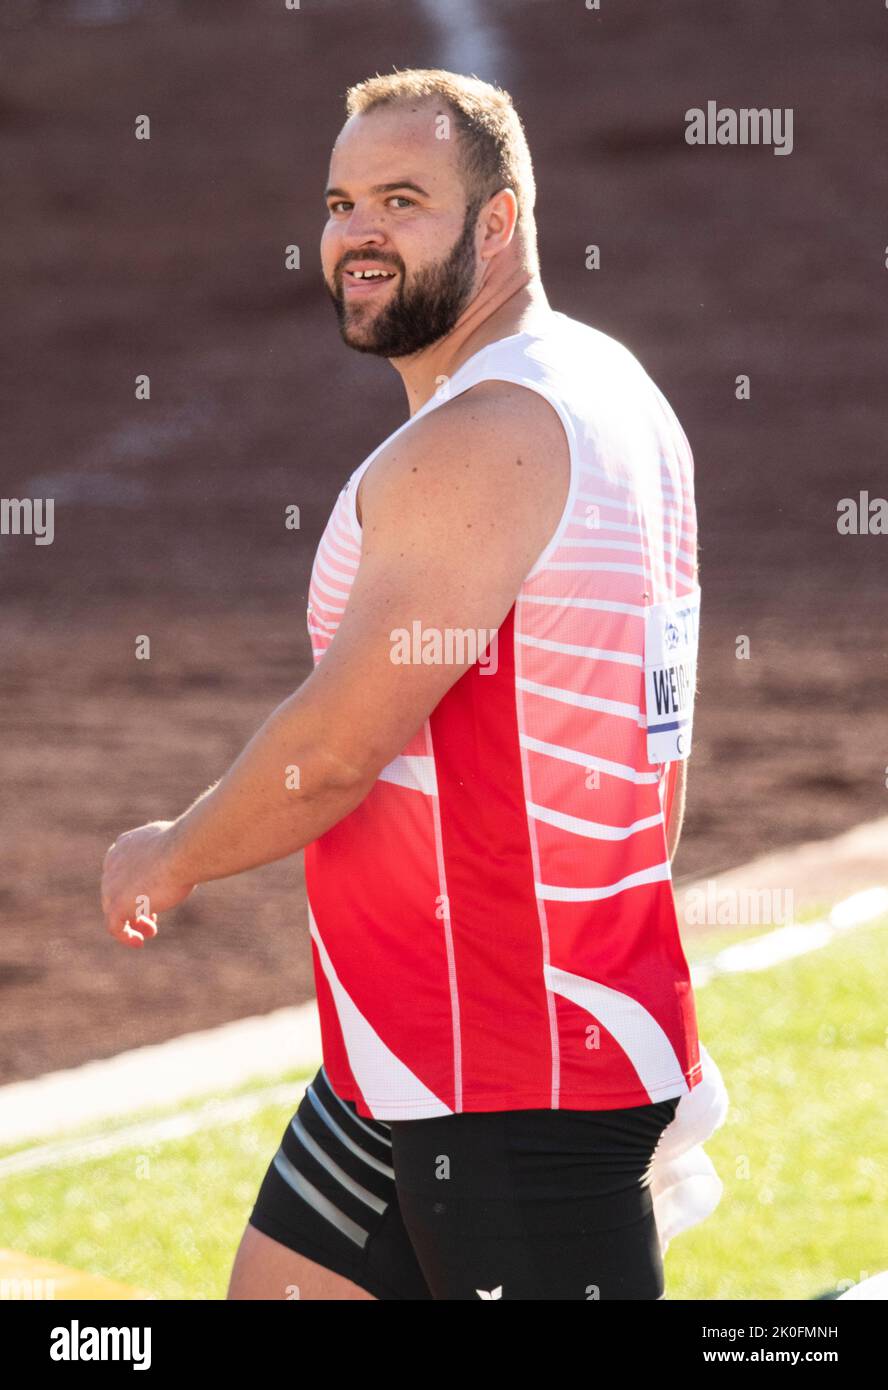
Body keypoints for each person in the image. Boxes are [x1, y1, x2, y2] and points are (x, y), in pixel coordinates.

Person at [102, 68, 703, 1300]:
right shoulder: (611, 388)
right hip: (427, 1038)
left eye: (402, 200)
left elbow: (336, 749)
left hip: (507, 1059)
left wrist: (174, 853)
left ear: (499, 225)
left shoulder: (485, 437)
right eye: (340, 201)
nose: (356, 232)